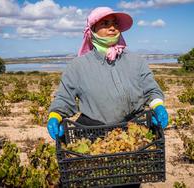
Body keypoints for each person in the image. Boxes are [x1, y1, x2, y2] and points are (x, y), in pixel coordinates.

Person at [47, 6, 168, 188]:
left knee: (128, 181)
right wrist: (55, 116)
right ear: (92, 31)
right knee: (96, 179)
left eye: (115, 23)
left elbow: (151, 90)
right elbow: (64, 99)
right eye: (105, 23)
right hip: (93, 135)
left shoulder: (136, 61)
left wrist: (158, 106)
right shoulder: (78, 66)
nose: (112, 28)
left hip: (132, 136)